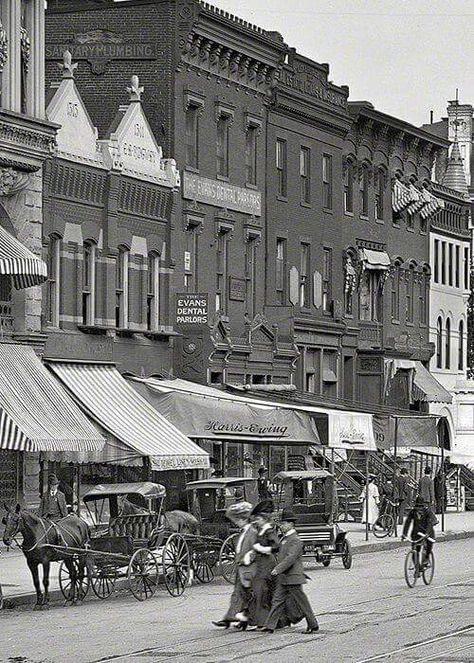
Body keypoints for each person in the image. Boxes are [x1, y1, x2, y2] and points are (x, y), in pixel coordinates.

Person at [263, 508, 319, 635]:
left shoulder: (296, 540)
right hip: (284, 578)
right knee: (277, 601)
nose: (281, 526)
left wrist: (277, 569)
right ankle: (270, 626)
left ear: (291, 524)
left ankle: (313, 624)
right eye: (281, 524)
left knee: (302, 603)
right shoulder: (285, 538)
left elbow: (290, 558)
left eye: (284, 524)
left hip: (293, 577)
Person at [212, 502, 257, 629]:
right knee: (238, 594)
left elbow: (255, 550)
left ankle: (243, 618)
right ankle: (230, 618)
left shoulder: (252, 532)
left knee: (248, 594)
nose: (236, 523)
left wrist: (247, 559)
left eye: (237, 520)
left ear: (243, 519)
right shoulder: (243, 532)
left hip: (248, 568)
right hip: (241, 568)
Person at [250, 500, 280, 628]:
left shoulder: (268, 531)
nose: (255, 521)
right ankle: (262, 620)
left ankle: (266, 621)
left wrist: (260, 549)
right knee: (260, 592)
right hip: (260, 564)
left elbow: (276, 546)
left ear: (263, 519)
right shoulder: (260, 531)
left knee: (262, 591)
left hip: (268, 564)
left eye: (257, 519)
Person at [401, 496, 437, 567]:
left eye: (420, 507)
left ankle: (426, 558)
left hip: (428, 532)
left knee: (429, 545)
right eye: (417, 507)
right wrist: (404, 534)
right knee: (415, 550)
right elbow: (407, 522)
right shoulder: (412, 512)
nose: (419, 509)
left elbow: (430, 523)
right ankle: (417, 567)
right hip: (416, 533)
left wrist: (427, 533)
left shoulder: (427, 512)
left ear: (423, 506)